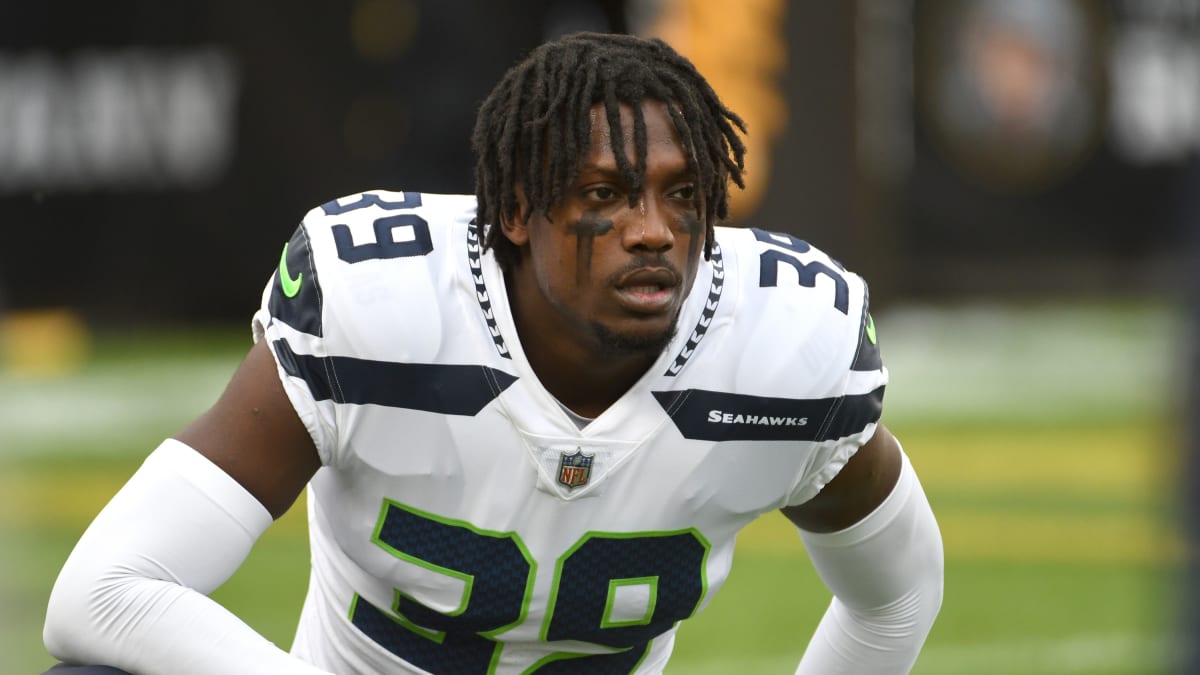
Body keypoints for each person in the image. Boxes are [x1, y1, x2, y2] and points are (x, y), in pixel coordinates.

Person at [42, 32, 943, 674]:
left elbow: (899, 592)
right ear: (515, 211)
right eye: (606, 192)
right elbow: (104, 591)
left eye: (683, 196)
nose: (654, 232)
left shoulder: (782, 346)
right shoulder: (382, 310)